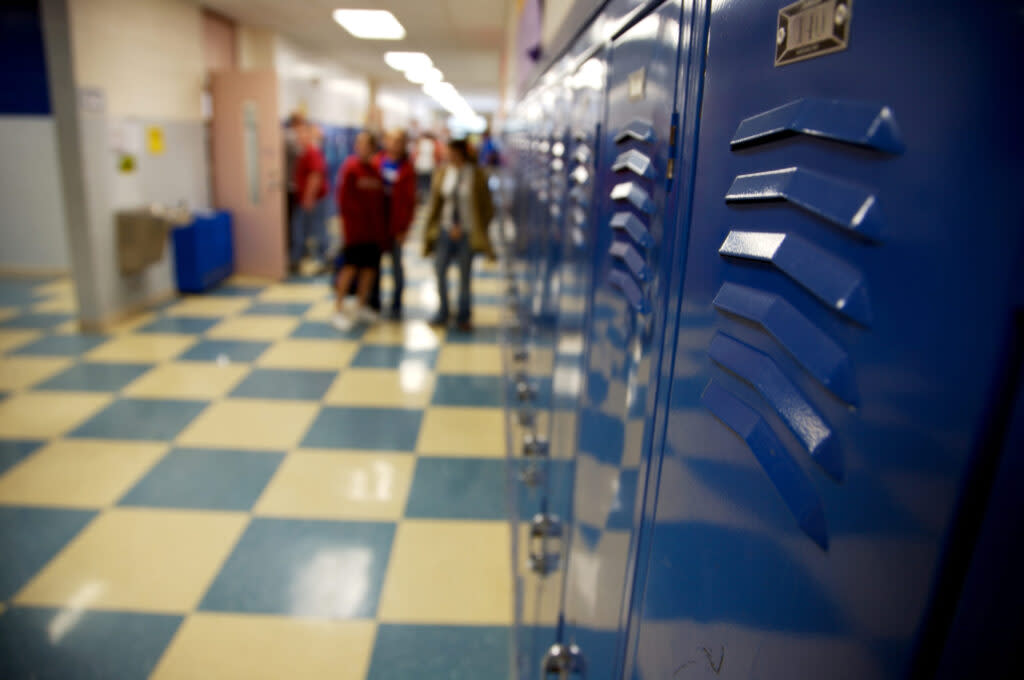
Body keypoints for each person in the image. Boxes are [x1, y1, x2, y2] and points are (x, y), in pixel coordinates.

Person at [423, 138, 495, 332]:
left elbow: (487, 207)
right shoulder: (443, 173)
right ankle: (443, 311)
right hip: (445, 231)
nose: (449, 156)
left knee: (465, 275)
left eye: (453, 153)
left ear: (462, 153)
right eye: (448, 153)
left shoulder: (477, 175)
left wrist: (475, 227)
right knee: (439, 271)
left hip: (467, 232)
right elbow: (436, 203)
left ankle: (464, 316)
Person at [333, 131, 386, 331]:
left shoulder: (375, 170)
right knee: (350, 268)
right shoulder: (350, 169)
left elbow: (379, 203)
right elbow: (343, 202)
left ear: (372, 148)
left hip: (372, 232)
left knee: (369, 269)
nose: (362, 147)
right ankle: (338, 309)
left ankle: (361, 306)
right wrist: (346, 230)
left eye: (366, 144)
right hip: (355, 231)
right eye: (359, 144)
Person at [372, 128, 417, 318]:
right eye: (392, 140)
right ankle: (373, 301)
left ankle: (397, 303)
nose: (395, 144)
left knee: (396, 265)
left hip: (396, 225)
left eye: (399, 141)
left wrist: (405, 228)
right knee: (373, 265)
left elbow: (410, 201)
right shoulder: (377, 163)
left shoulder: (407, 168)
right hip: (377, 225)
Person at [289, 121, 329, 272]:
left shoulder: (311, 152)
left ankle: (322, 259)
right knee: (304, 229)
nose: (298, 137)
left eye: (301, 134)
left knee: (317, 230)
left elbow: (315, 176)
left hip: (314, 200)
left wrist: (308, 198)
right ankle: (300, 258)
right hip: (308, 199)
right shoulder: (304, 153)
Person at [413, 132, 441, 202]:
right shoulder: (434, 143)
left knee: (420, 183)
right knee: (427, 183)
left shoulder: (421, 143)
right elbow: (437, 155)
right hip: (430, 166)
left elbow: (415, 154)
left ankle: (421, 197)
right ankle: (426, 198)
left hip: (420, 165)